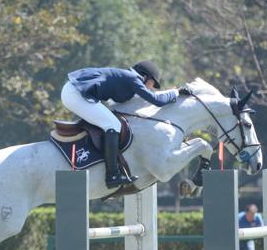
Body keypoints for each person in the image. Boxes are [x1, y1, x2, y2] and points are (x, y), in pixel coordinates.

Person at [61, 61, 192, 189]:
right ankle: (112, 175)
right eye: (152, 83)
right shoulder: (133, 79)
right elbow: (156, 100)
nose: (151, 87)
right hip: (75, 93)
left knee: (110, 123)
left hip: (74, 91)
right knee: (113, 125)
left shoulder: (128, 77)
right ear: (145, 76)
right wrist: (176, 92)